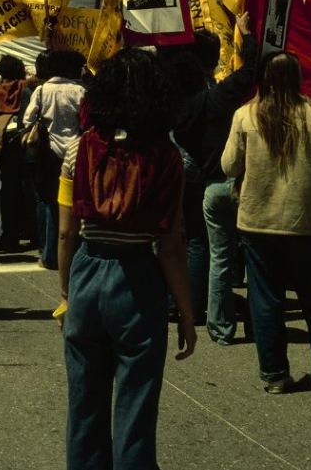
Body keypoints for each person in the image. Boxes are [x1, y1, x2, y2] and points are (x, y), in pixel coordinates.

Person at [56, 47, 195, 470]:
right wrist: (186, 313)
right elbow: (171, 246)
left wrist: (66, 292)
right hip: (138, 274)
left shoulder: (78, 151)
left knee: (84, 401)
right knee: (136, 404)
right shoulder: (170, 159)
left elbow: (66, 232)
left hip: (87, 268)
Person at [221, 51, 311, 395]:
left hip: (257, 221)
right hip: (304, 222)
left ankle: (275, 373)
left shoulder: (245, 115)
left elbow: (229, 165)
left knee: (265, 299)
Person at [162, 12, 255, 341]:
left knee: (190, 242)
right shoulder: (214, 100)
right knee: (214, 249)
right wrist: (247, 35)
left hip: (184, 175)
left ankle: (183, 302)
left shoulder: (174, 105)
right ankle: (201, 306)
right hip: (213, 178)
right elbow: (250, 73)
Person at [23, 50, 86, 270]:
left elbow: (28, 118)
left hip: (47, 154)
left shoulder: (41, 90)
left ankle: (49, 254)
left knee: (49, 202)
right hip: (76, 153)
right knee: (74, 203)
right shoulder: (80, 90)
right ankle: (73, 252)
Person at [0, 54, 31, 252]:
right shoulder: (26, 89)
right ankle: (29, 231)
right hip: (23, 142)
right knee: (27, 189)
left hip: (1, 144)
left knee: (5, 190)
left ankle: (7, 234)